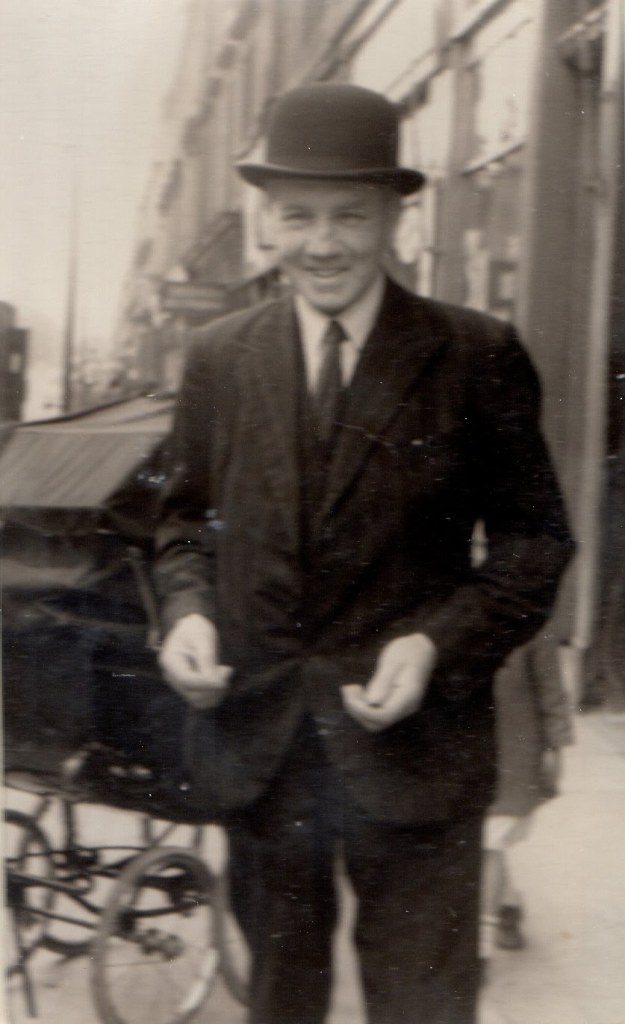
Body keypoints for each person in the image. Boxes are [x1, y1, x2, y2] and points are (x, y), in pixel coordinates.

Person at [154, 83, 574, 1024]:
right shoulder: (218, 356)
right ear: (266, 222)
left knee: (424, 1006)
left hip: (417, 753)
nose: (322, 243)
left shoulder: (475, 354)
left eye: (348, 215)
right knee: (280, 1004)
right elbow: (181, 521)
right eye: (297, 216)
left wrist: (436, 644)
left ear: (392, 217)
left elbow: (536, 542)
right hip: (264, 747)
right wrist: (185, 613)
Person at [480, 635, 573, 964]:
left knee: (491, 840)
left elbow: (552, 688)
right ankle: (508, 903)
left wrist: (555, 746)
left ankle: (482, 947)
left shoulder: (532, 624)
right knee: (483, 841)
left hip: (514, 753)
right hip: (468, 750)